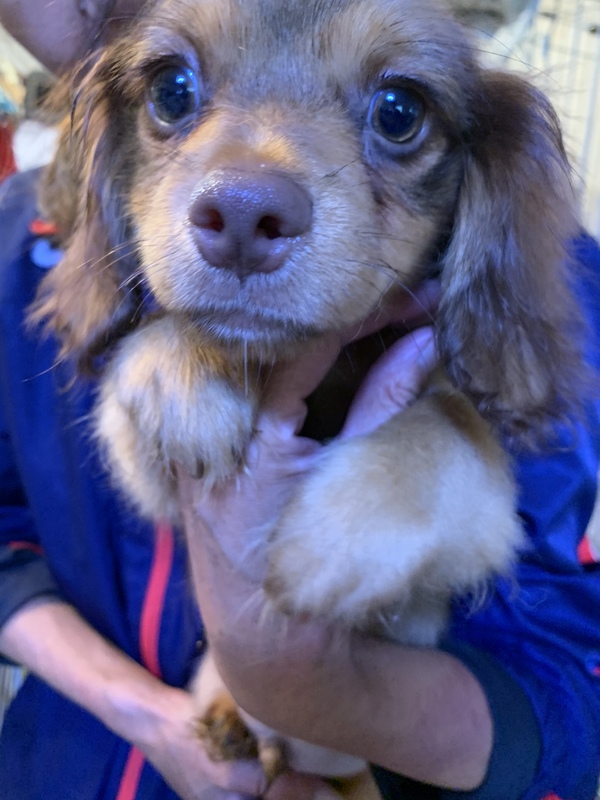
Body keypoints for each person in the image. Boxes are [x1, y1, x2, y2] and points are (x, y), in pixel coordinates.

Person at [1, 2, 600, 799]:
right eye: (176, 93)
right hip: (62, 759)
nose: (247, 187)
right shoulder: (15, 234)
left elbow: (567, 679)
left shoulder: (550, 272)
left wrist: (310, 685)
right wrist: (149, 717)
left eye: (396, 116)